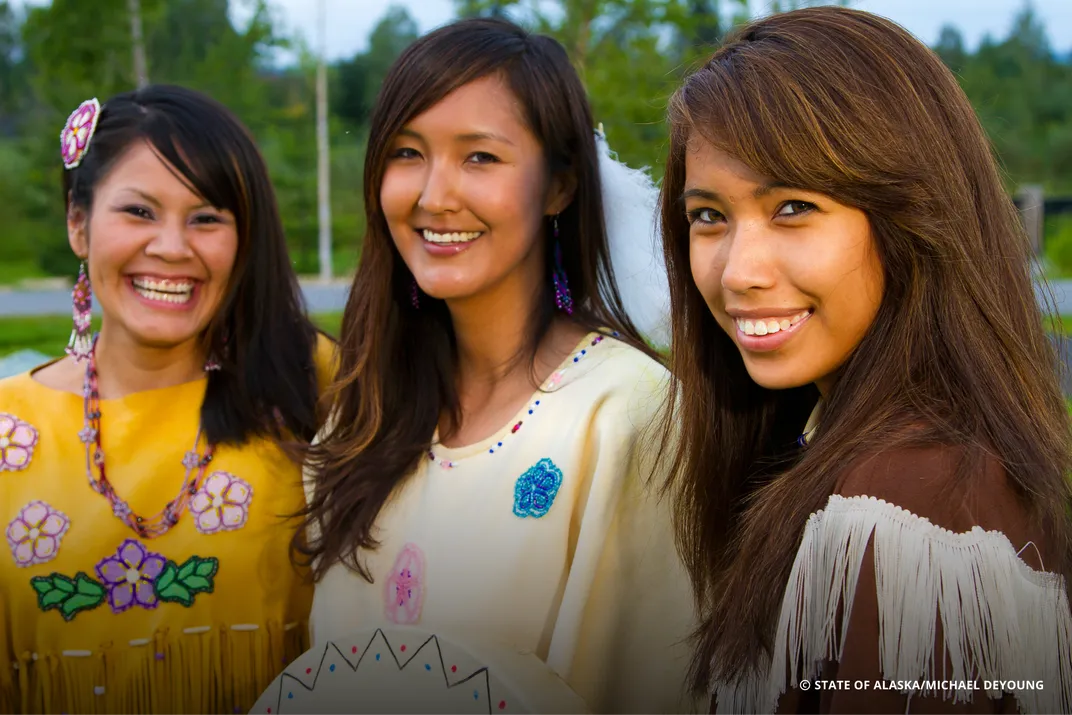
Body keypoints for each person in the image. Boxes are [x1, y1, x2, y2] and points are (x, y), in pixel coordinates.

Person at [657, 7, 1072, 715]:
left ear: (909, 219)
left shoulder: (915, 493)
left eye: (792, 207)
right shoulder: (859, 450)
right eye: (709, 216)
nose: (737, 272)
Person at [297, 17, 698, 715]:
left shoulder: (628, 413)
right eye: (406, 153)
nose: (434, 194)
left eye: (480, 157)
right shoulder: (357, 419)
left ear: (560, 186)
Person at [0, 85, 335, 715]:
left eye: (207, 218)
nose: (173, 248)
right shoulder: (8, 430)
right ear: (79, 224)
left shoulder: (310, 386)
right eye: (139, 212)